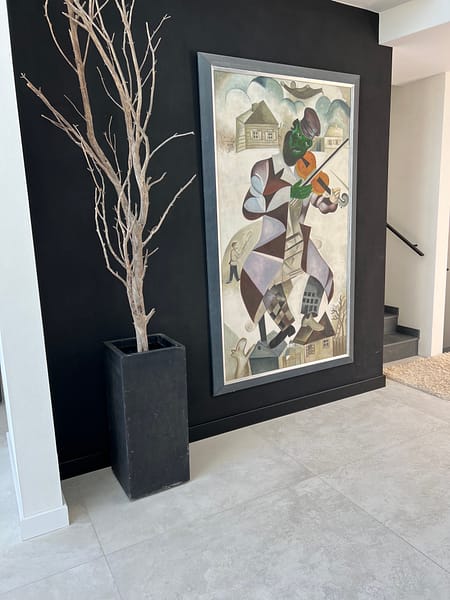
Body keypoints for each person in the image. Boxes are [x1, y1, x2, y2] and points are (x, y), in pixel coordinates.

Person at [239, 109, 337, 349]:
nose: (296, 146)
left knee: (323, 274)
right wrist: (287, 193)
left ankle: (308, 316)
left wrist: (331, 203)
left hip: (298, 243)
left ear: (307, 148)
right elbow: (249, 207)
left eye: (303, 144)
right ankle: (286, 325)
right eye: (296, 138)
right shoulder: (264, 168)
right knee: (256, 283)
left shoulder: (305, 174)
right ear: (290, 131)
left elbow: (320, 202)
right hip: (273, 244)